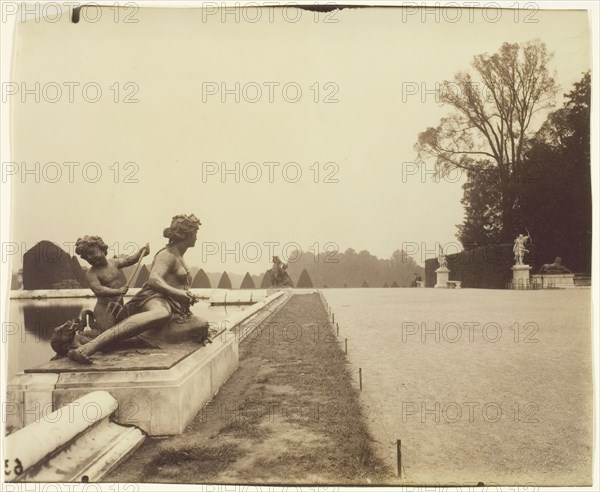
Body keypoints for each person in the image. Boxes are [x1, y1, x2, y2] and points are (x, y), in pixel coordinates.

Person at [68, 214, 205, 365]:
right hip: (155, 298)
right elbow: (153, 280)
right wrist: (177, 293)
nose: (196, 237)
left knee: (202, 325)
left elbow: (129, 260)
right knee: (161, 313)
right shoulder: (167, 255)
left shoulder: (179, 256)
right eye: (195, 233)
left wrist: (140, 253)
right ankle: (89, 347)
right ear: (187, 234)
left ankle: (132, 337)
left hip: (174, 306)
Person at [75, 235, 150, 331]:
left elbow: (128, 260)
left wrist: (140, 253)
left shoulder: (113, 263)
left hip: (119, 306)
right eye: (86, 257)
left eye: (91, 252)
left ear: (102, 248)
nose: (90, 258)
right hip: (104, 310)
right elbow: (99, 290)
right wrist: (118, 291)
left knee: (124, 332)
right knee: (110, 334)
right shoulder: (91, 274)